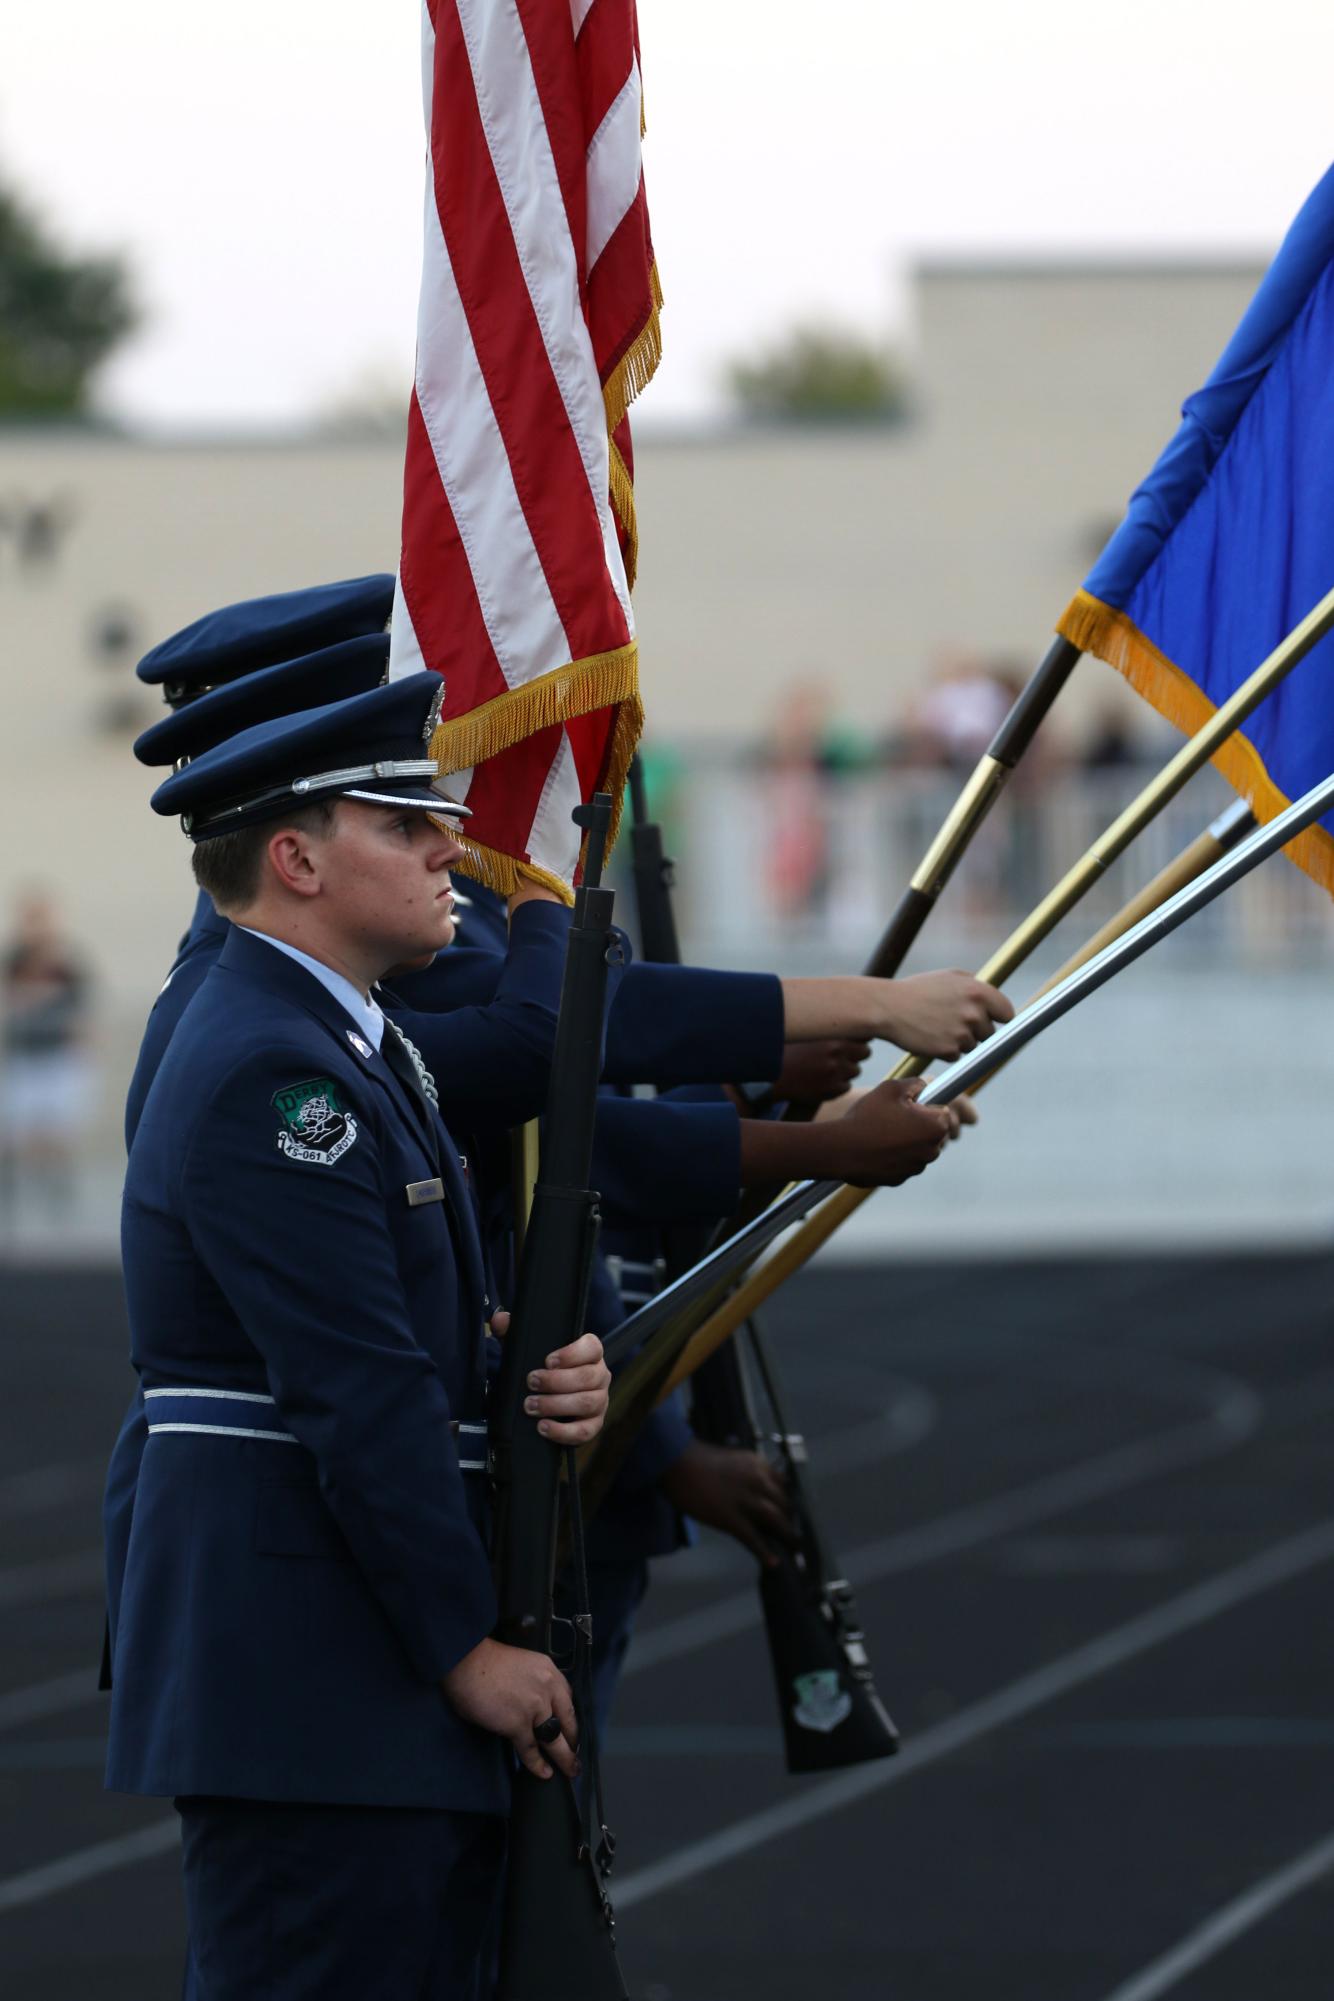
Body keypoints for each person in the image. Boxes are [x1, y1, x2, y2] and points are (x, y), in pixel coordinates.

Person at [108, 674, 614, 1999]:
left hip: (338, 1673)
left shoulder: (340, 1040)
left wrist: (528, 1369)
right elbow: (358, 1386)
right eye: (405, 823)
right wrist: (464, 1646)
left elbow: (409, 1334)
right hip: (316, 1678)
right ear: (296, 859)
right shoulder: (277, 1074)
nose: (453, 847)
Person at [0, 888, 95, 1221]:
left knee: (58, 1134)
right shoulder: (14, 960)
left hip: (58, 1059)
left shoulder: (67, 964)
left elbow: (80, 1011)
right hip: (25, 1058)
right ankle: (15, 1201)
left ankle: (58, 1197)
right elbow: (11, 1003)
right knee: (18, 1134)